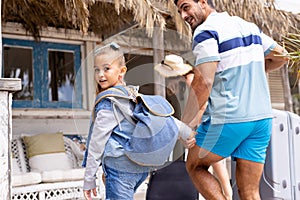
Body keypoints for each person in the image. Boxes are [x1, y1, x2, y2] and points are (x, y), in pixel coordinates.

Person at [173, 0, 290, 199]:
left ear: (202, 2)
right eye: (180, 11)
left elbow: (204, 81)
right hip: (261, 120)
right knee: (250, 192)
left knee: (195, 165)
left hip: (230, 119)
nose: (183, 16)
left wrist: (187, 124)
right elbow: (282, 56)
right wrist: (253, 73)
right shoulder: (248, 27)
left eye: (186, 7)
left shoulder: (205, 32)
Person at [82, 42, 196, 200]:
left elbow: (96, 143)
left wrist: (89, 179)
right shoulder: (134, 97)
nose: (100, 74)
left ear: (121, 71)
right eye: (97, 69)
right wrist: (187, 133)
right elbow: (163, 119)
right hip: (139, 168)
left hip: (119, 167)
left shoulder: (109, 103)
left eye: (106, 68)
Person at [155, 54, 232, 200]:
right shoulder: (183, 83)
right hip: (205, 122)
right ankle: (225, 195)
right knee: (211, 163)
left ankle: (227, 195)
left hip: (210, 121)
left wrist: (187, 128)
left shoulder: (190, 81)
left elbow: (202, 107)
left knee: (214, 163)